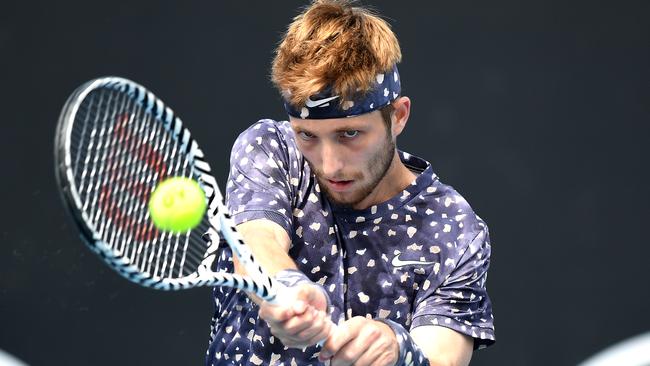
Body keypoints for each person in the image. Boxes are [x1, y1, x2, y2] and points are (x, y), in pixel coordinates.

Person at [205, 1, 495, 365]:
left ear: (398, 116)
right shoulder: (271, 148)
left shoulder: (454, 226)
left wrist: (398, 350)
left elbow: (443, 356)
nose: (330, 164)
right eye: (307, 135)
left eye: (350, 133)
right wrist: (286, 288)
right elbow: (255, 239)